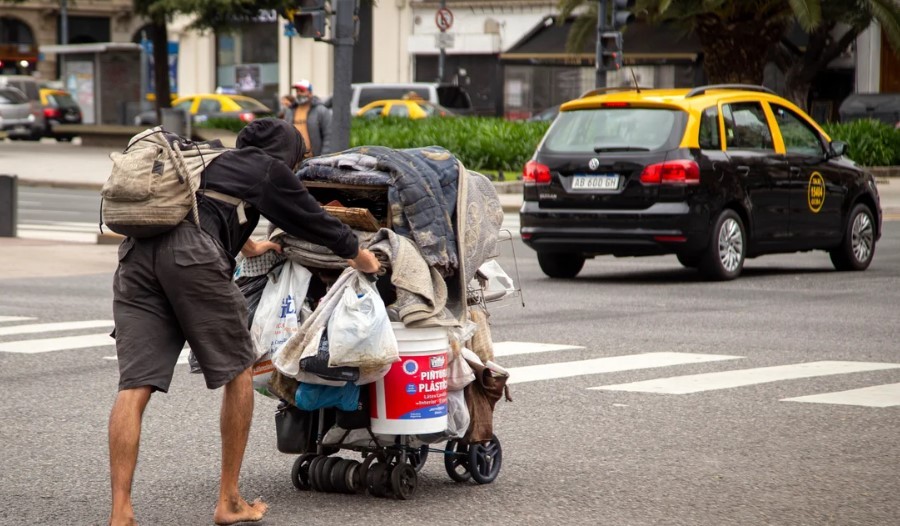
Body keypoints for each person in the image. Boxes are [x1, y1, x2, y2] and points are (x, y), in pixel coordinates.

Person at [107, 118, 380, 526]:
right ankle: (229, 501)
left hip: (136, 258)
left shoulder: (213, 159)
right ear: (287, 152)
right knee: (240, 371)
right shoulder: (269, 168)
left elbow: (205, 206)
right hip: (192, 258)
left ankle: (121, 512)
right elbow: (316, 221)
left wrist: (250, 245)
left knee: (134, 386)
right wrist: (362, 257)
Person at [282, 79, 332, 157]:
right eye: (297, 91)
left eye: (302, 91)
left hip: (314, 159)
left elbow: (329, 136)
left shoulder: (321, 111)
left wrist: (323, 157)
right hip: (295, 159)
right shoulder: (290, 111)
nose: (299, 93)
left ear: (310, 93)